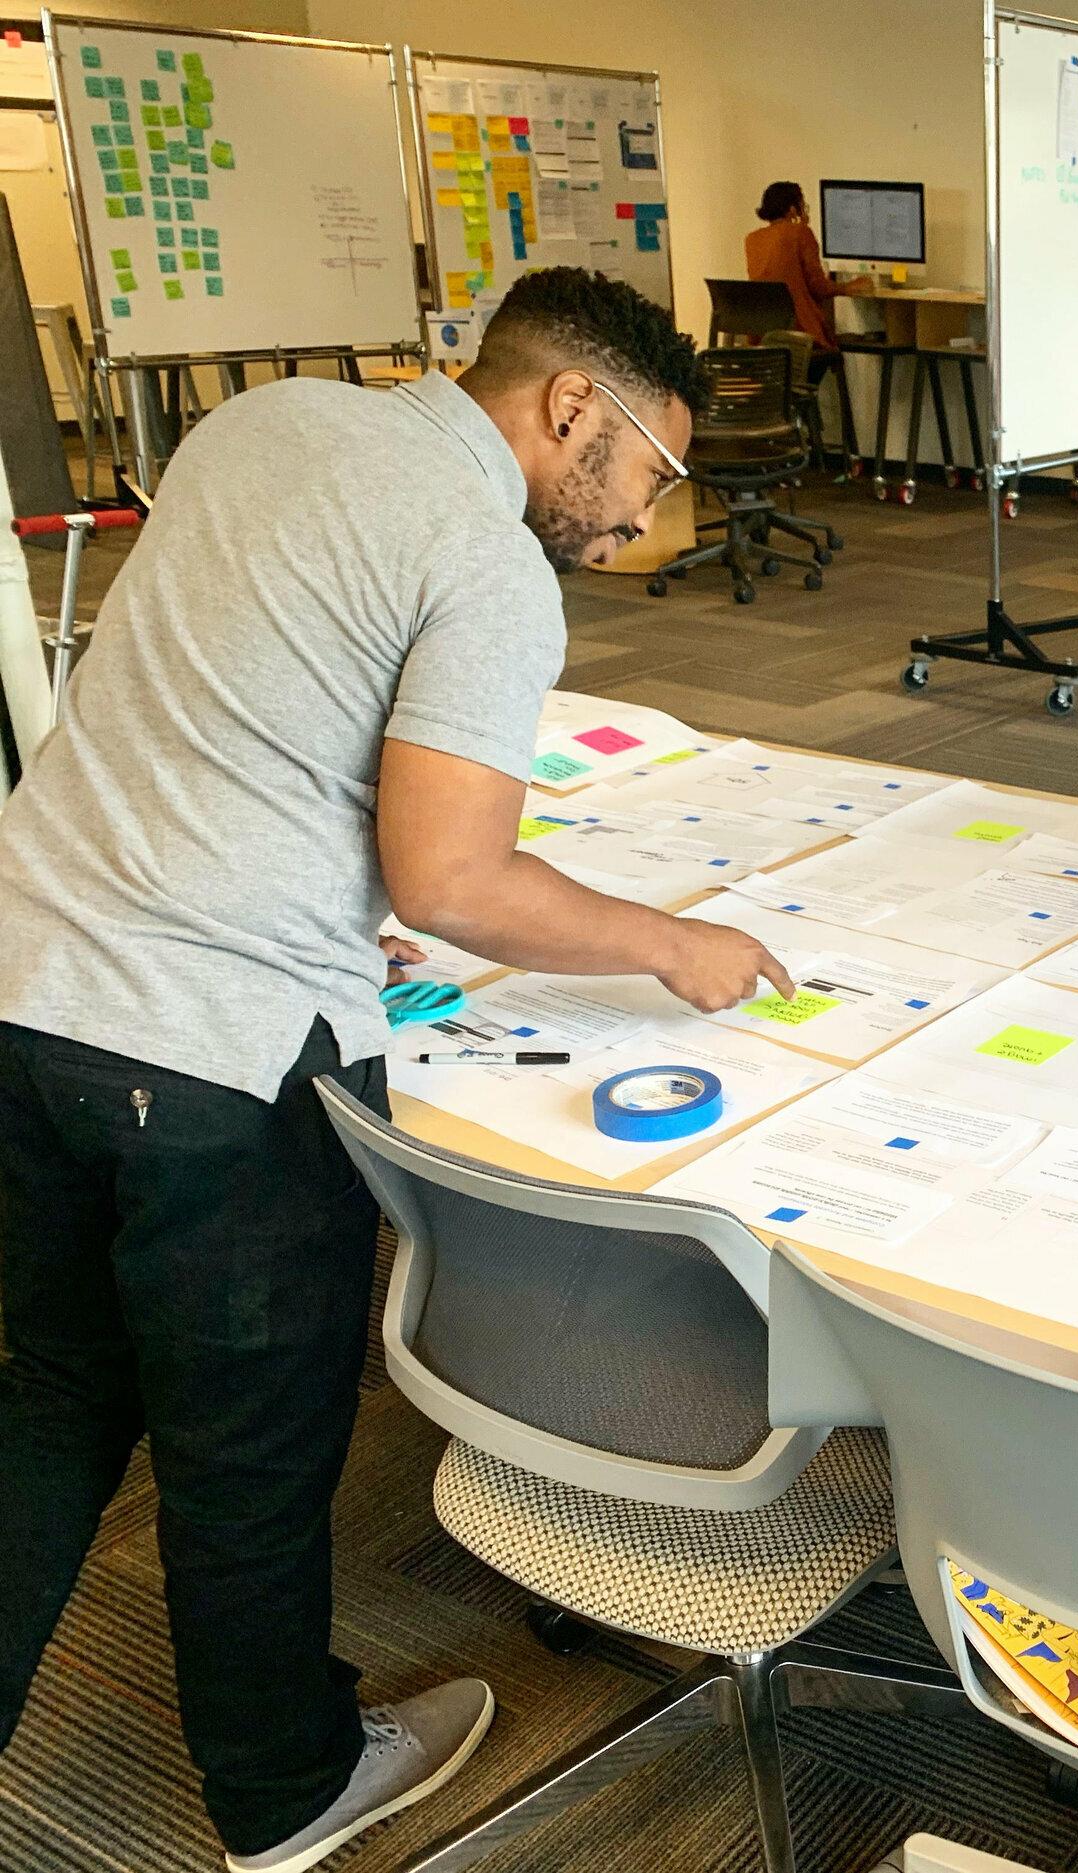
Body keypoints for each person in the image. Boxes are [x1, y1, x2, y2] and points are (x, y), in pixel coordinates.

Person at [0, 267, 793, 1873]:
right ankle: (286, 1792)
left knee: (53, 1402)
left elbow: (230, 698)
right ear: (574, 407)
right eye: (648, 472)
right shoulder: (488, 566)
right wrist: (664, 940)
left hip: (32, 988)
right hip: (211, 1070)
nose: (640, 521)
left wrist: (301, 887)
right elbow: (452, 880)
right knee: (249, 1452)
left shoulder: (255, 427)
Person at [744, 179, 870, 368]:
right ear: (793, 209)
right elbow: (818, 287)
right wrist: (848, 287)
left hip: (763, 335)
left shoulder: (752, 240)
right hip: (799, 333)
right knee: (834, 353)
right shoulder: (800, 233)